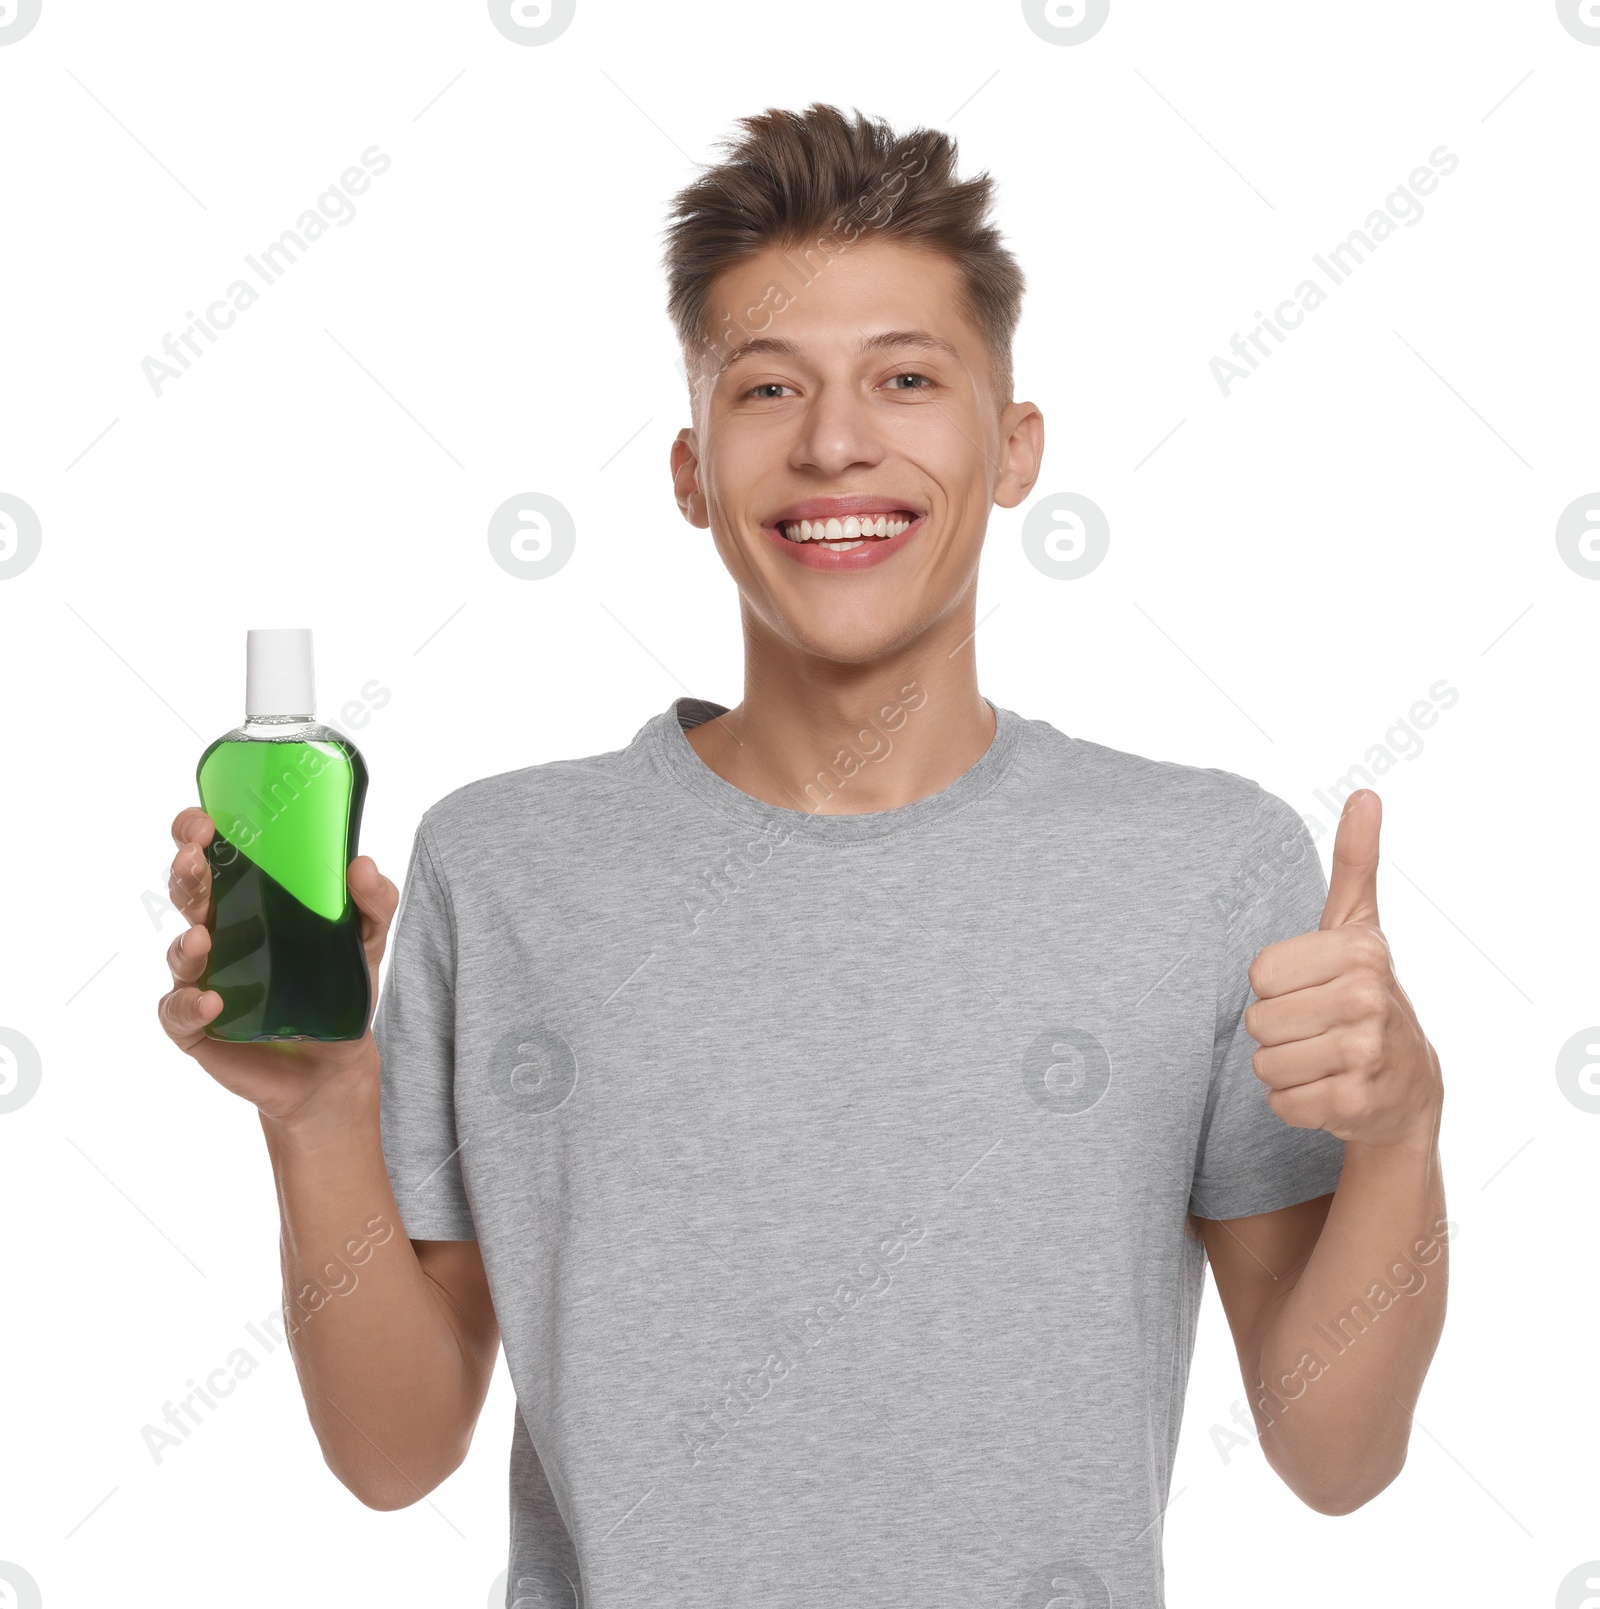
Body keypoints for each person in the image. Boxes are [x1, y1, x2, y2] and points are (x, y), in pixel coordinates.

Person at [159, 103, 1448, 1608]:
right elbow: (394, 1452)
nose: (838, 440)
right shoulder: (505, 865)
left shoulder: (1205, 865)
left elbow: (1337, 1455)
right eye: (769, 388)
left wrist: (1407, 1126)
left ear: (1014, 445)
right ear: (695, 470)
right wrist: (320, 1114)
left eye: (907, 377)